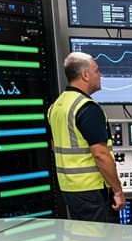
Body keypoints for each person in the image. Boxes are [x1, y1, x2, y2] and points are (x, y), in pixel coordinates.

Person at [48, 52, 125, 222]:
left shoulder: (57, 106)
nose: (100, 75)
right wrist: (117, 190)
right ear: (85, 75)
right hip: (93, 191)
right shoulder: (87, 108)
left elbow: (54, 145)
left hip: (70, 189)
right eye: (97, 71)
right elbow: (100, 154)